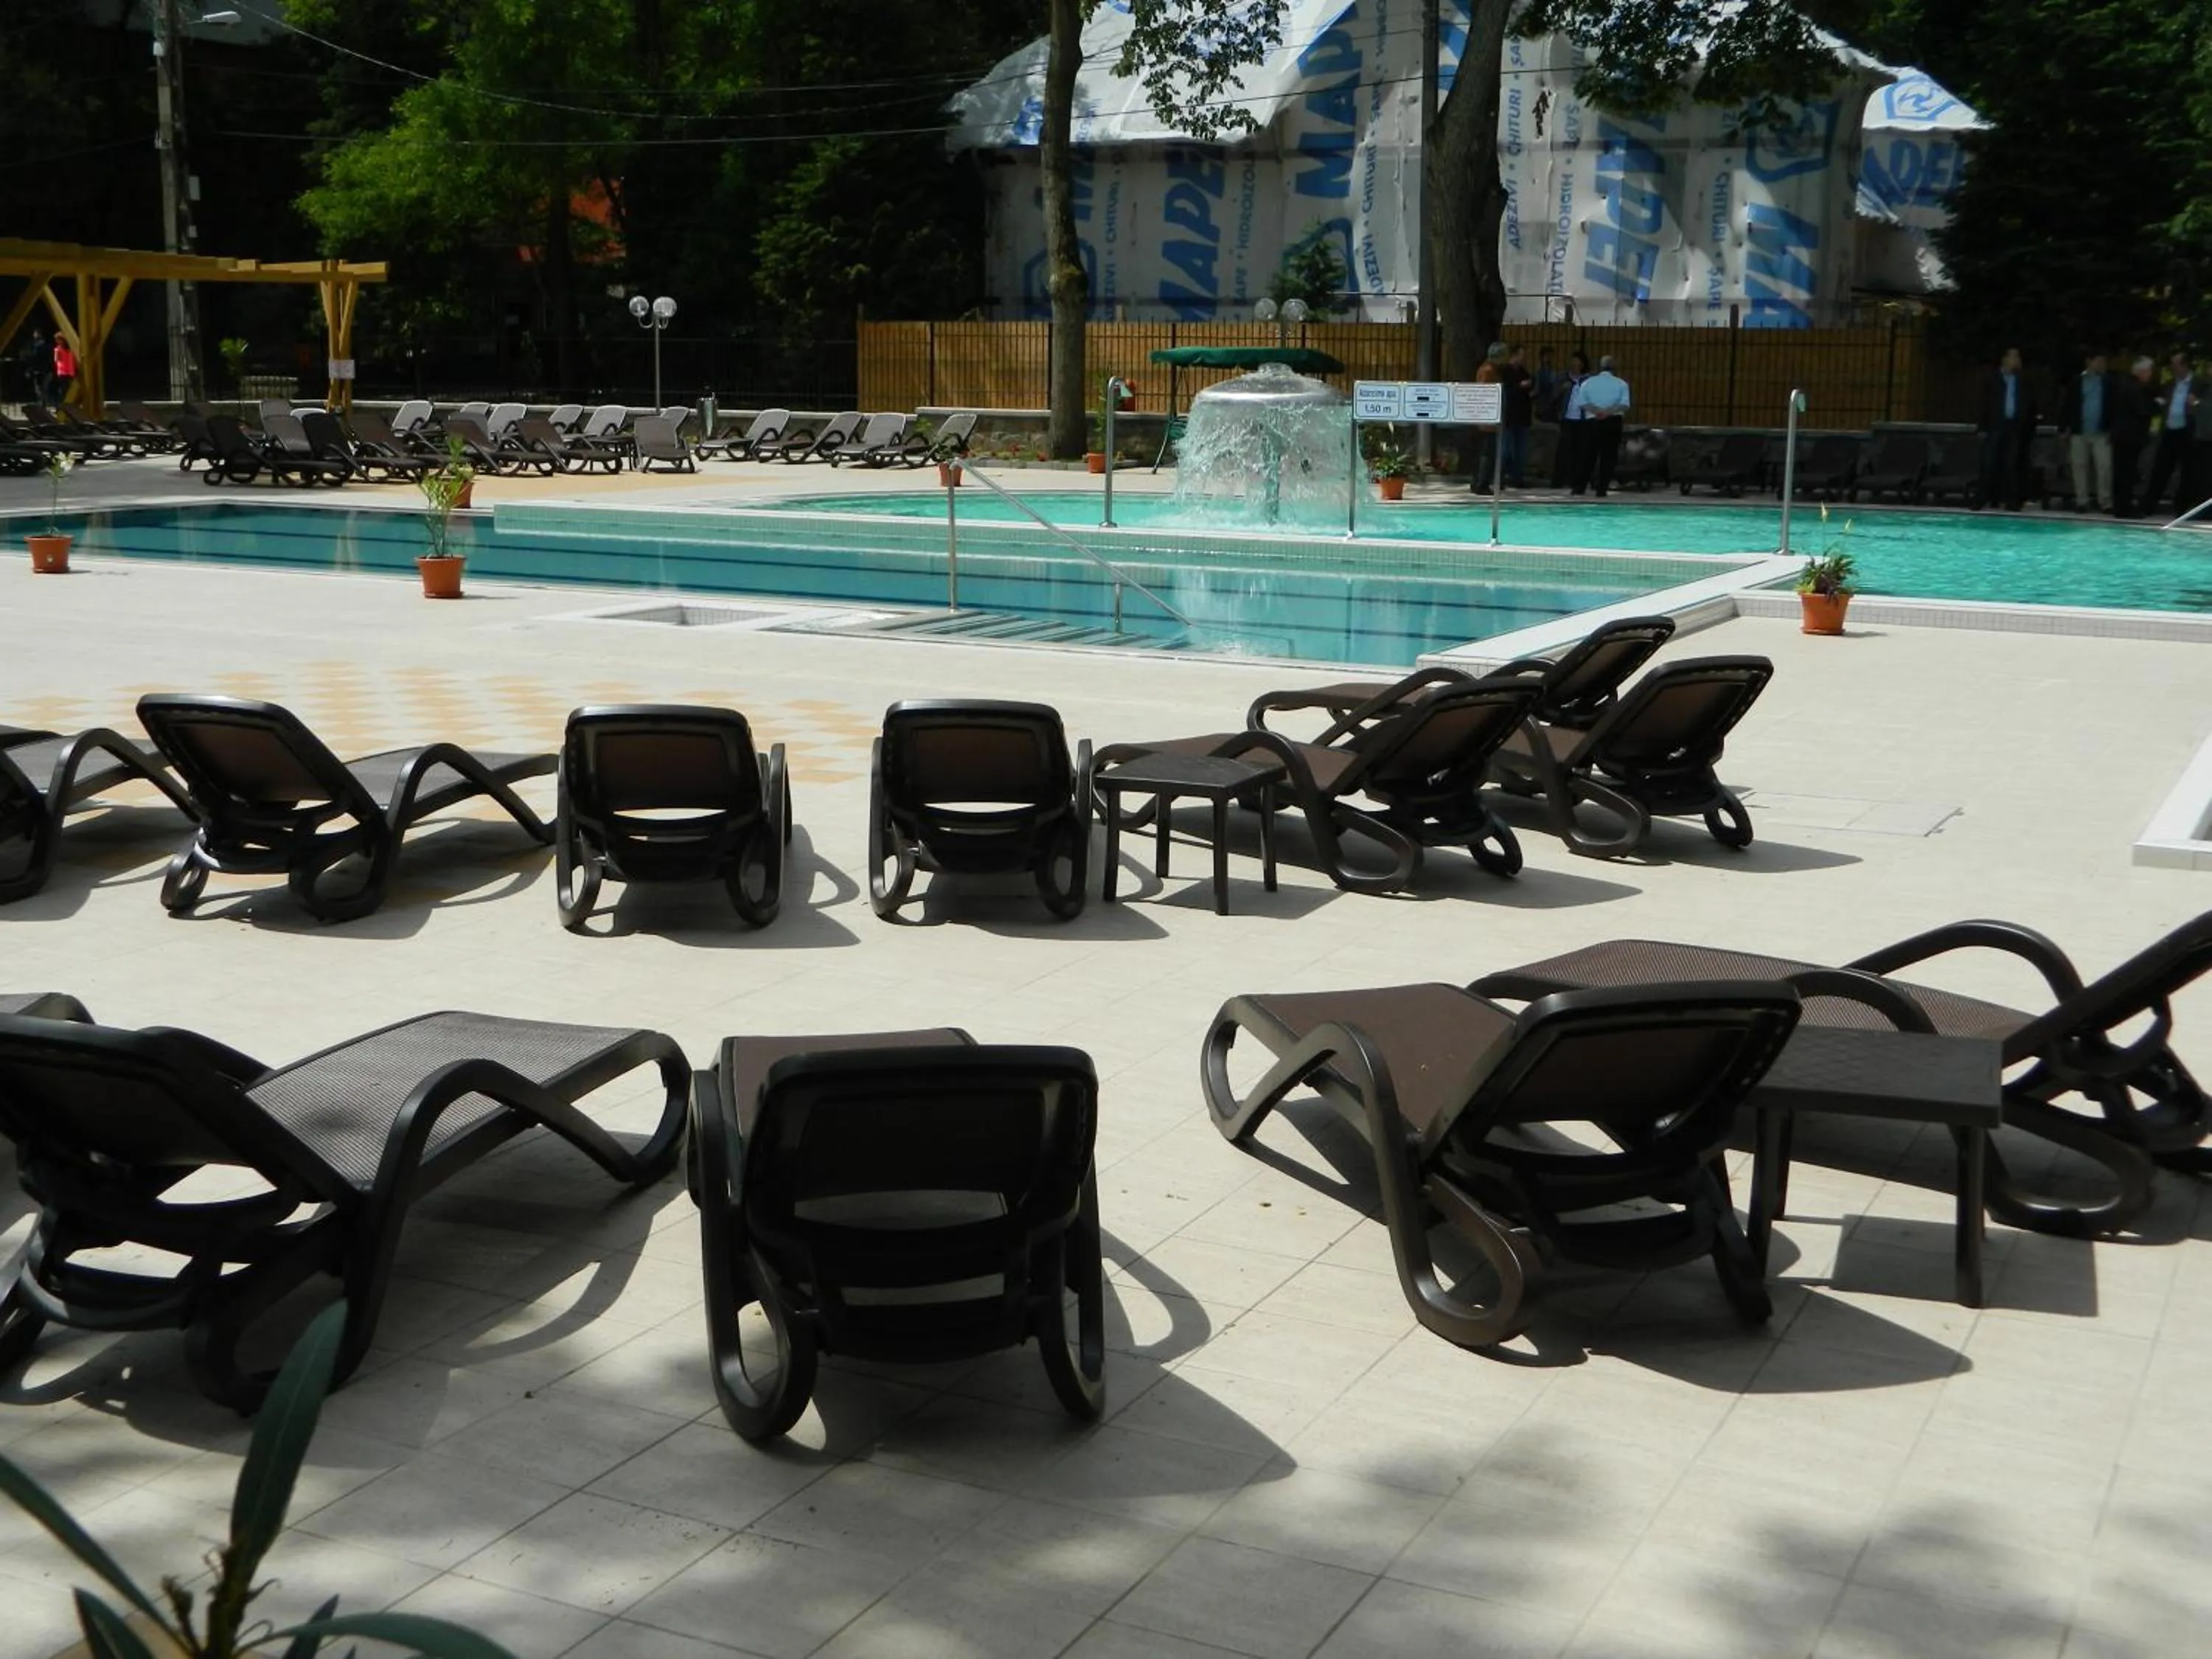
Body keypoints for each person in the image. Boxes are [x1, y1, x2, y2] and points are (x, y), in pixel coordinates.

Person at [2055, 350, 2115, 514]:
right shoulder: (2076, 383)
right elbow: (2067, 406)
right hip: (2079, 432)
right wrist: (2063, 427)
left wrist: (2112, 429)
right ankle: (2082, 501)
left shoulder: (2109, 383)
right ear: (2089, 362)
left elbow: (2115, 407)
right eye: (2099, 361)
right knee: (2079, 467)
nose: (2103, 365)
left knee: (2104, 467)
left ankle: (2105, 502)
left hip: (2101, 432)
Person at [1975, 347, 2034, 510]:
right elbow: (1984, 404)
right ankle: (1983, 498)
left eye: (2018, 357)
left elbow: (2029, 404)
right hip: (1996, 425)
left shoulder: (2022, 379)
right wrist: (1982, 427)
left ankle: (2011, 500)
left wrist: (2026, 424)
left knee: (2012, 464)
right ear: (2004, 359)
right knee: (1989, 462)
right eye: (2014, 357)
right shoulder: (1993, 379)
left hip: (2014, 426)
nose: (2017, 361)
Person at [2144, 350, 2200, 516]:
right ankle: (2149, 506)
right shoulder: (2169, 385)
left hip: (2188, 432)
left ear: (2184, 365)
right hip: (2169, 431)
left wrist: (2196, 404)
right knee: (2160, 469)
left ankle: (2181, 509)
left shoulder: (2199, 384)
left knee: (2187, 473)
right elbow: (2159, 404)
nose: (2172, 367)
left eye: (2175, 364)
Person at [1568, 355, 1630, 495]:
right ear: (1614, 368)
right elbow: (1624, 405)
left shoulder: (1588, 383)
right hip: (1613, 421)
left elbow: (1582, 403)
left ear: (1600, 367)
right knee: (1609, 456)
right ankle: (1602, 489)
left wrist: (1597, 412)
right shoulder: (1621, 384)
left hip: (1592, 421)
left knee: (1587, 455)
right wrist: (1608, 412)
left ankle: (1579, 487)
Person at [2111, 356, 2156, 519]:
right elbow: (2142, 411)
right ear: (2142, 372)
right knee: (2127, 473)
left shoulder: (2123, 385)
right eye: (2149, 371)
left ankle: (2119, 506)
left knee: (2120, 472)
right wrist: (2157, 405)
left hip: (2120, 436)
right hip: (2131, 437)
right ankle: (2125, 507)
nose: (2150, 374)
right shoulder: (2137, 388)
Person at [1469, 341, 1506, 493]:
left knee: (1486, 452)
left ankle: (1479, 481)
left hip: (1487, 418)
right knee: (1487, 452)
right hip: (1487, 420)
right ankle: (1481, 483)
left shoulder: (1490, 369)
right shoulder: (1488, 371)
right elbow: (1484, 393)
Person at [1552, 349, 1590, 488]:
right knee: (1563, 450)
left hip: (1582, 419)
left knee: (1580, 451)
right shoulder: (1563, 378)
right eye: (1573, 363)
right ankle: (1559, 480)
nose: (1574, 366)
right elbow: (1554, 396)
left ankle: (1576, 480)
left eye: (1577, 363)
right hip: (1567, 418)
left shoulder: (1588, 380)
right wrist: (1562, 389)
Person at [1499, 344, 1534, 488]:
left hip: (1522, 416)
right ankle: (1500, 477)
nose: (1524, 358)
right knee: (1506, 449)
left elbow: (1530, 387)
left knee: (1521, 450)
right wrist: (1520, 386)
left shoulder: (1523, 372)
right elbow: (1506, 390)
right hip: (1509, 415)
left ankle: (1517, 478)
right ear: (1514, 355)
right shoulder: (1505, 371)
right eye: (1521, 354)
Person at [17, 327, 49, 406]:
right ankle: (43, 402)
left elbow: (34, 358)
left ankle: (42, 403)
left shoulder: (37, 346)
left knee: (40, 388)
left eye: (35, 333)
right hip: (42, 369)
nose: (34, 335)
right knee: (42, 388)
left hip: (40, 369)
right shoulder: (41, 345)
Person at [50, 334, 77, 408]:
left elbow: (56, 360)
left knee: (63, 389)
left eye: (58, 340)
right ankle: (67, 405)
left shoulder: (58, 349)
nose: (57, 341)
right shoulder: (71, 349)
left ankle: (63, 404)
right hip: (69, 371)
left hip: (63, 371)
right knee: (67, 389)